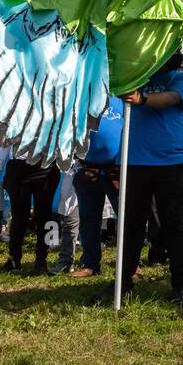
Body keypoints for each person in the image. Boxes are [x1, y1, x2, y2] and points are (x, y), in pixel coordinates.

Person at [93, 51, 183, 309]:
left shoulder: (181, 79)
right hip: (135, 161)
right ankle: (123, 283)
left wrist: (142, 98)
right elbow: (113, 84)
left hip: (170, 163)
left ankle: (180, 285)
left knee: (173, 225)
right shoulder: (135, 77)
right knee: (131, 226)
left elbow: (169, 99)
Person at [72, 95, 123, 278]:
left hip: (116, 171)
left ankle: (130, 265)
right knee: (88, 221)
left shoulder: (123, 100)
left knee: (126, 220)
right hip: (88, 170)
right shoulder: (82, 100)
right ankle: (90, 264)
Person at [1, 151, 61, 274]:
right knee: (19, 216)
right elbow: (4, 144)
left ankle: (41, 260)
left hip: (46, 165)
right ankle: (14, 258)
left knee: (44, 215)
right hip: (18, 166)